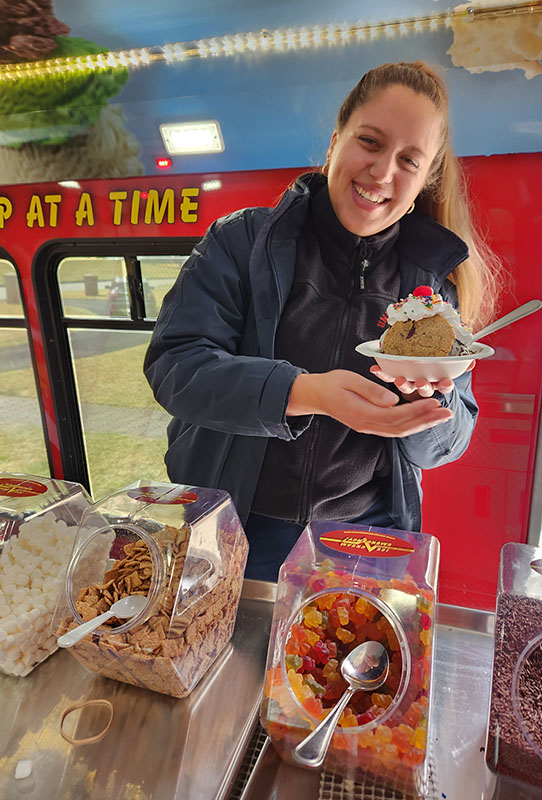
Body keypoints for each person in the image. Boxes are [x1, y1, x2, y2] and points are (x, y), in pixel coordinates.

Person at [144, 61, 501, 581]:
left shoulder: (433, 291)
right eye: (371, 142)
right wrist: (305, 393)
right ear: (335, 142)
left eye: (408, 159)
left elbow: (448, 441)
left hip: (365, 534)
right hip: (236, 526)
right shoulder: (242, 243)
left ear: (426, 179)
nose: (382, 173)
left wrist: (431, 401)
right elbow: (176, 367)